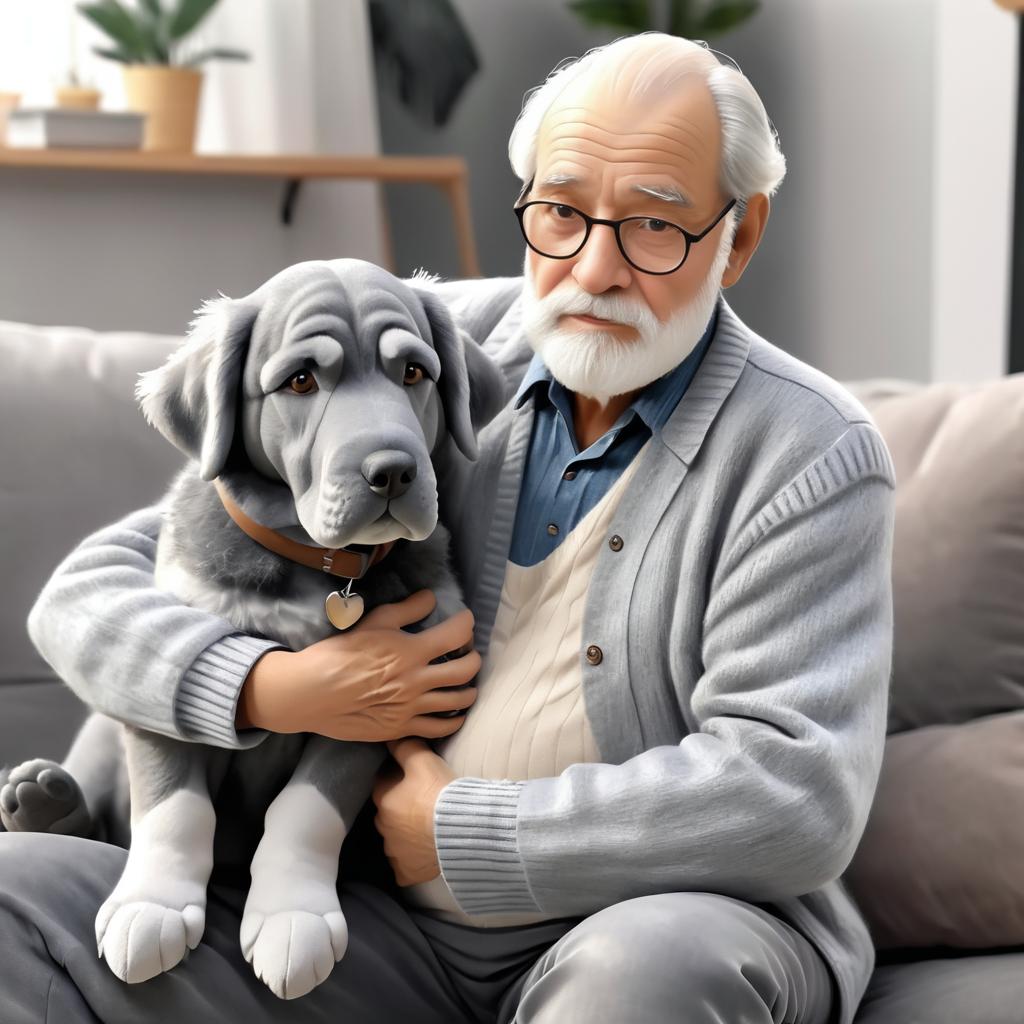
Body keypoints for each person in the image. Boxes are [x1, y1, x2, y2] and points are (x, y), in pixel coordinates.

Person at [0, 32, 895, 1024]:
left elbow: (794, 796)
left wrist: (470, 830)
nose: (592, 268)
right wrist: (274, 686)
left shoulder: (809, 452)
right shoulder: (431, 342)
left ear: (741, 233)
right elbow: (91, 593)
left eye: (652, 225)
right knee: (13, 892)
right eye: (559, 212)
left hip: (640, 923)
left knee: (650, 974)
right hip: (368, 919)